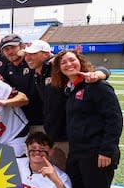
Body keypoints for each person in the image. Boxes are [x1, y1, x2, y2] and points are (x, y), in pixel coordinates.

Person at [52, 50, 122, 188]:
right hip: (79, 151)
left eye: (71, 60)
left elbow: (114, 119)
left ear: (80, 62)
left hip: (97, 152)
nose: (68, 64)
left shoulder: (97, 86)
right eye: (63, 62)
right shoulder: (71, 89)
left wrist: (107, 150)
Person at [22, 40, 109, 170]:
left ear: (46, 55)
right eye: (26, 54)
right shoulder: (37, 73)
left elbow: (100, 70)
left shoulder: (57, 68)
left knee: (67, 174)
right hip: (52, 133)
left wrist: (98, 74)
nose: (28, 57)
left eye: (33, 54)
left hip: (68, 135)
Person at [0, 34, 43, 129]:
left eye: (13, 47)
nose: (10, 52)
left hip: (41, 121)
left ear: (21, 46)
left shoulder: (33, 61)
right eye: (6, 49)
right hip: (21, 123)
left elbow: (48, 58)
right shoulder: (7, 68)